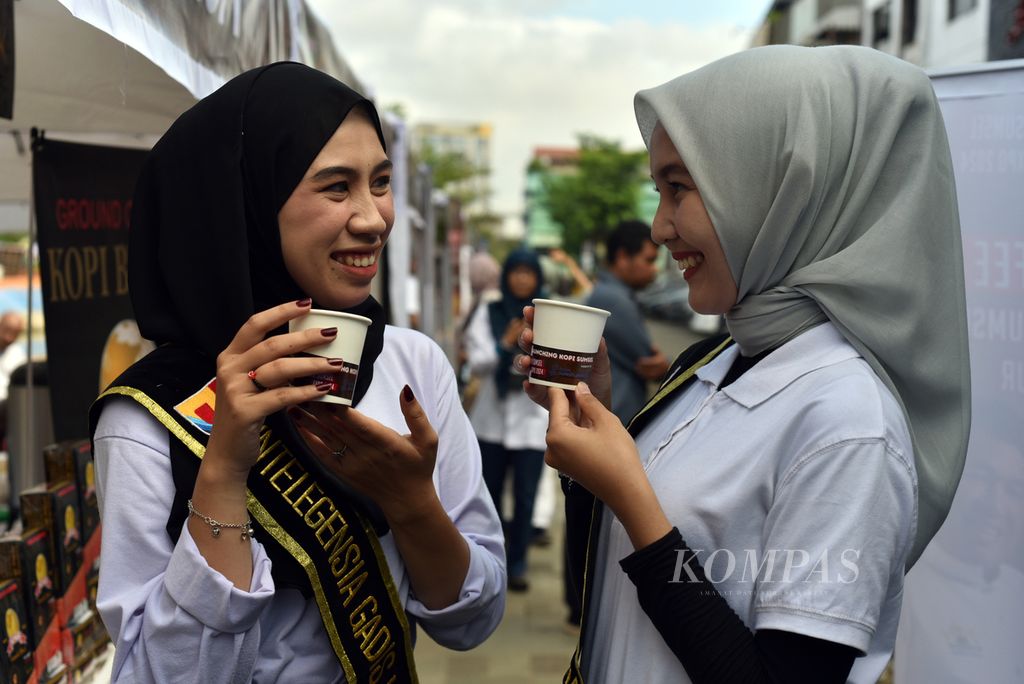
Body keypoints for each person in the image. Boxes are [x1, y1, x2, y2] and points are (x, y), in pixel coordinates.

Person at [513, 45, 970, 683]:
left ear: (782, 189)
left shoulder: (847, 421)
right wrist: (594, 412)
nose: (658, 228)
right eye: (658, 191)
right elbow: (613, 579)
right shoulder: (718, 358)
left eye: (679, 189)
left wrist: (632, 497)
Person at [89, 63, 505, 683]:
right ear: (249, 203)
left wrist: (412, 504)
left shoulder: (412, 363)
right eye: (336, 187)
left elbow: (471, 620)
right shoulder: (150, 414)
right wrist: (224, 470)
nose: (373, 218)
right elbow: (156, 673)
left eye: (381, 182)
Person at [464, 247, 548, 592]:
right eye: (516, 271)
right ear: (506, 275)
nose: (522, 278)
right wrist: (504, 344)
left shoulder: (548, 314)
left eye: (529, 272)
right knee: (491, 494)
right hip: (492, 421)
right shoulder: (491, 311)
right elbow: (478, 362)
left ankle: (517, 565)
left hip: (531, 421)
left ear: (537, 278)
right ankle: (492, 561)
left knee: (526, 498)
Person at [585, 220, 668, 425]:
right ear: (622, 257)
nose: (654, 270)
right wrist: (666, 365)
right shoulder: (614, 299)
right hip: (617, 417)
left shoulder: (608, 293)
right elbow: (649, 361)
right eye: (649, 260)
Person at [0, 311, 26, 445]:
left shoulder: (17, 353)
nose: (10, 337)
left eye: (15, 333)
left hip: (8, 408)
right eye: (8, 330)